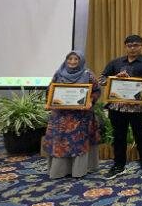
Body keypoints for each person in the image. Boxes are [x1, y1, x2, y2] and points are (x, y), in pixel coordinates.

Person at [100, 34, 142, 179]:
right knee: (118, 137)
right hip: (117, 107)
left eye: (136, 45)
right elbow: (101, 79)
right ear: (125, 46)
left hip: (138, 108)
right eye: (130, 45)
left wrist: (139, 97)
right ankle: (118, 166)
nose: (133, 48)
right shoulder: (115, 63)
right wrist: (114, 78)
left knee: (141, 137)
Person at [43, 51, 100, 179]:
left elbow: (96, 91)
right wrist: (49, 102)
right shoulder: (58, 73)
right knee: (60, 142)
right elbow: (50, 90)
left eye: (76, 59)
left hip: (81, 117)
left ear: (81, 61)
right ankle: (59, 171)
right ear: (66, 60)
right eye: (70, 59)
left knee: (79, 143)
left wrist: (90, 100)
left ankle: (78, 170)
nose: (72, 61)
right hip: (60, 117)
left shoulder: (88, 74)